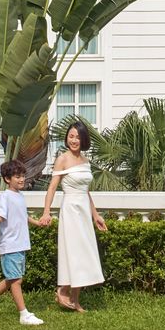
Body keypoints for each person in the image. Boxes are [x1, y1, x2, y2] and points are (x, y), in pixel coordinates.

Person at [34, 119, 105, 312]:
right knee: (73, 252)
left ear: (84, 139)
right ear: (67, 138)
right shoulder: (62, 159)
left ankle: (75, 299)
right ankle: (63, 289)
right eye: (71, 136)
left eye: (78, 137)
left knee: (84, 252)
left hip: (84, 211)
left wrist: (96, 215)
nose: (74, 140)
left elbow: (86, 191)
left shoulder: (86, 161)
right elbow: (52, 188)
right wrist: (46, 212)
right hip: (70, 210)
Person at [0, 159, 43, 326]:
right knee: (16, 280)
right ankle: (24, 314)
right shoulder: (6, 197)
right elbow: (0, 219)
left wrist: (37, 223)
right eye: (17, 177)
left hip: (20, 244)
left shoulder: (19, 196)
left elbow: (23, 216)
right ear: (7, 179)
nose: (22, 179)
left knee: (12, 278)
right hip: (10, 244)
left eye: (23, 176)